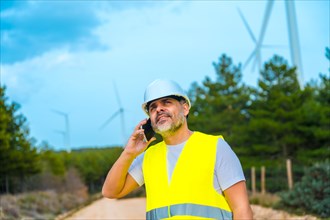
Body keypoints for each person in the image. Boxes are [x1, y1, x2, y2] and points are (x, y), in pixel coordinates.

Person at [102, 79, 253, 220]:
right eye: (152, 108)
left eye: (166, 103)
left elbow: (242, 208)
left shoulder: (215, 147)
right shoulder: (148, 157)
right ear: (149, 120)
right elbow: (110, 191)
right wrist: (129, 153)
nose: (159, 109)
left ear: (185, 108)